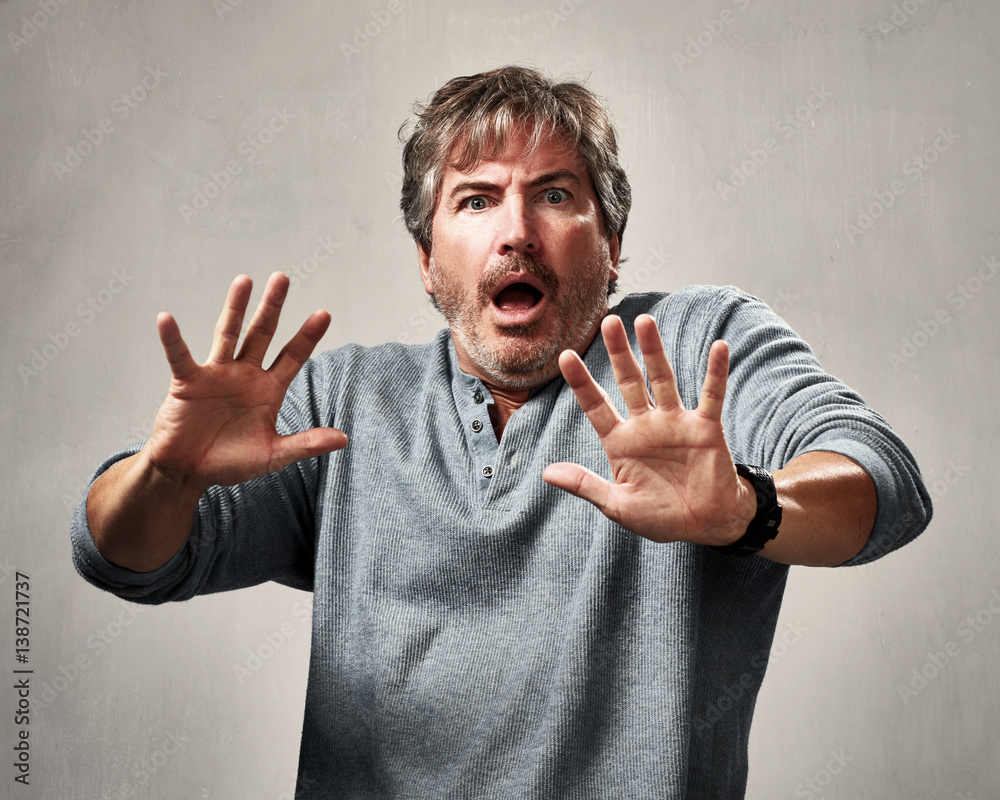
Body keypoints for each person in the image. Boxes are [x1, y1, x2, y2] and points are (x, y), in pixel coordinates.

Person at [72, 65, 931, 798]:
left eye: (554, 195)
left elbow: (883, 483)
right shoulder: (345, 399)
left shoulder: (691, 351)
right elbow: (123, 556)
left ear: (614, 241)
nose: (516, 233)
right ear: (426, 259)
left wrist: (750, 509)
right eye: (476, 200)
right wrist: (167, 476)